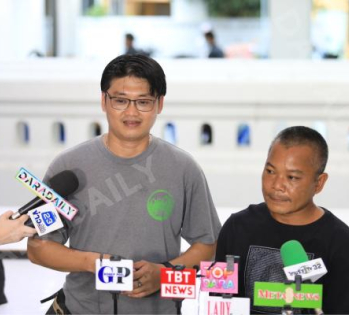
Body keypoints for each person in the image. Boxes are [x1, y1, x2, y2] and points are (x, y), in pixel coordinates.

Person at [27, 54, 221, 314]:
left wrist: (164, 273)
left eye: (143, 102)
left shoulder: (183, 168)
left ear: (159, 104)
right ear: (104, 101)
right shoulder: (67, 167)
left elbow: (208, 246)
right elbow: (38, 248)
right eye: (120, 101)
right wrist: (98, 263)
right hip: (78, 309)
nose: (131, 112)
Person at [216, 126, 349, 314]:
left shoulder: (341, 242)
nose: (277, 185)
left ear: (319, 183)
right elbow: (217, 299)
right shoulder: (236, 227)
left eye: (292, 177)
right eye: (270, 171)